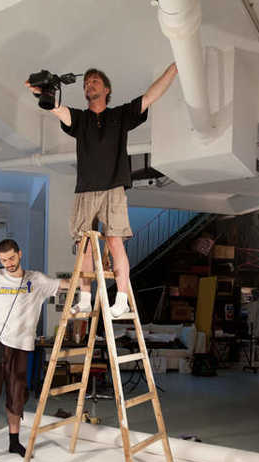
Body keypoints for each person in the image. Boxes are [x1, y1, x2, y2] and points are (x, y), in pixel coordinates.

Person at [26, 63, 178, 317]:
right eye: (86, 83)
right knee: (84, 245)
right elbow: (56, 109)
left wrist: (174, 68)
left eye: (94, 81)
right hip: (85, 189)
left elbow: (151, 95)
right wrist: (40, 93)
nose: (89, 84)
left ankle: (120, 299)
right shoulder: (80, 118)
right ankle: (85, 298)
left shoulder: (120, 116)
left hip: (113, 188)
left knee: (115, 242)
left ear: (106, 89)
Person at [0, 239, 67, 462]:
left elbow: (65, 285)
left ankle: (14, 442)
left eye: (11, 258)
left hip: (21, 346)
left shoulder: (36, 280)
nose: (8, 263)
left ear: (19, 254)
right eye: (3, 260)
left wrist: (86, 279)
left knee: (17, 393)